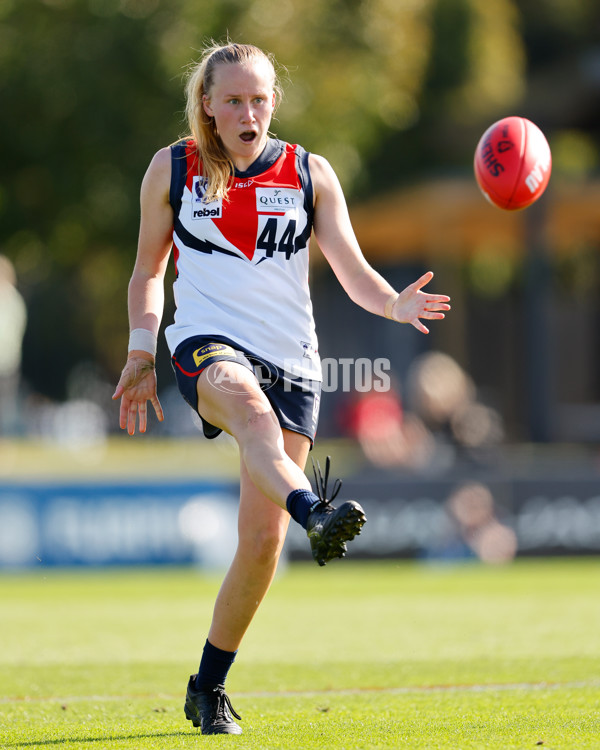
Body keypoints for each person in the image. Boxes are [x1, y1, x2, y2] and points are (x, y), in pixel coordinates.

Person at [112, 42, 451, 735]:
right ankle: (315, 509)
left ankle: (207, 687)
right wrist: (142, 350)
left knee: (261, 545)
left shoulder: (310, 173)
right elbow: (148, 272)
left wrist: (393, 304)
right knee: (248, 411)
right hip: (207, 344)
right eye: (232, 100)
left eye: (258, 99)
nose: (247, 112)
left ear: (274, 101)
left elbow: (351, 268)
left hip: (294, 362)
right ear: (206, 104)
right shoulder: (171, 168)